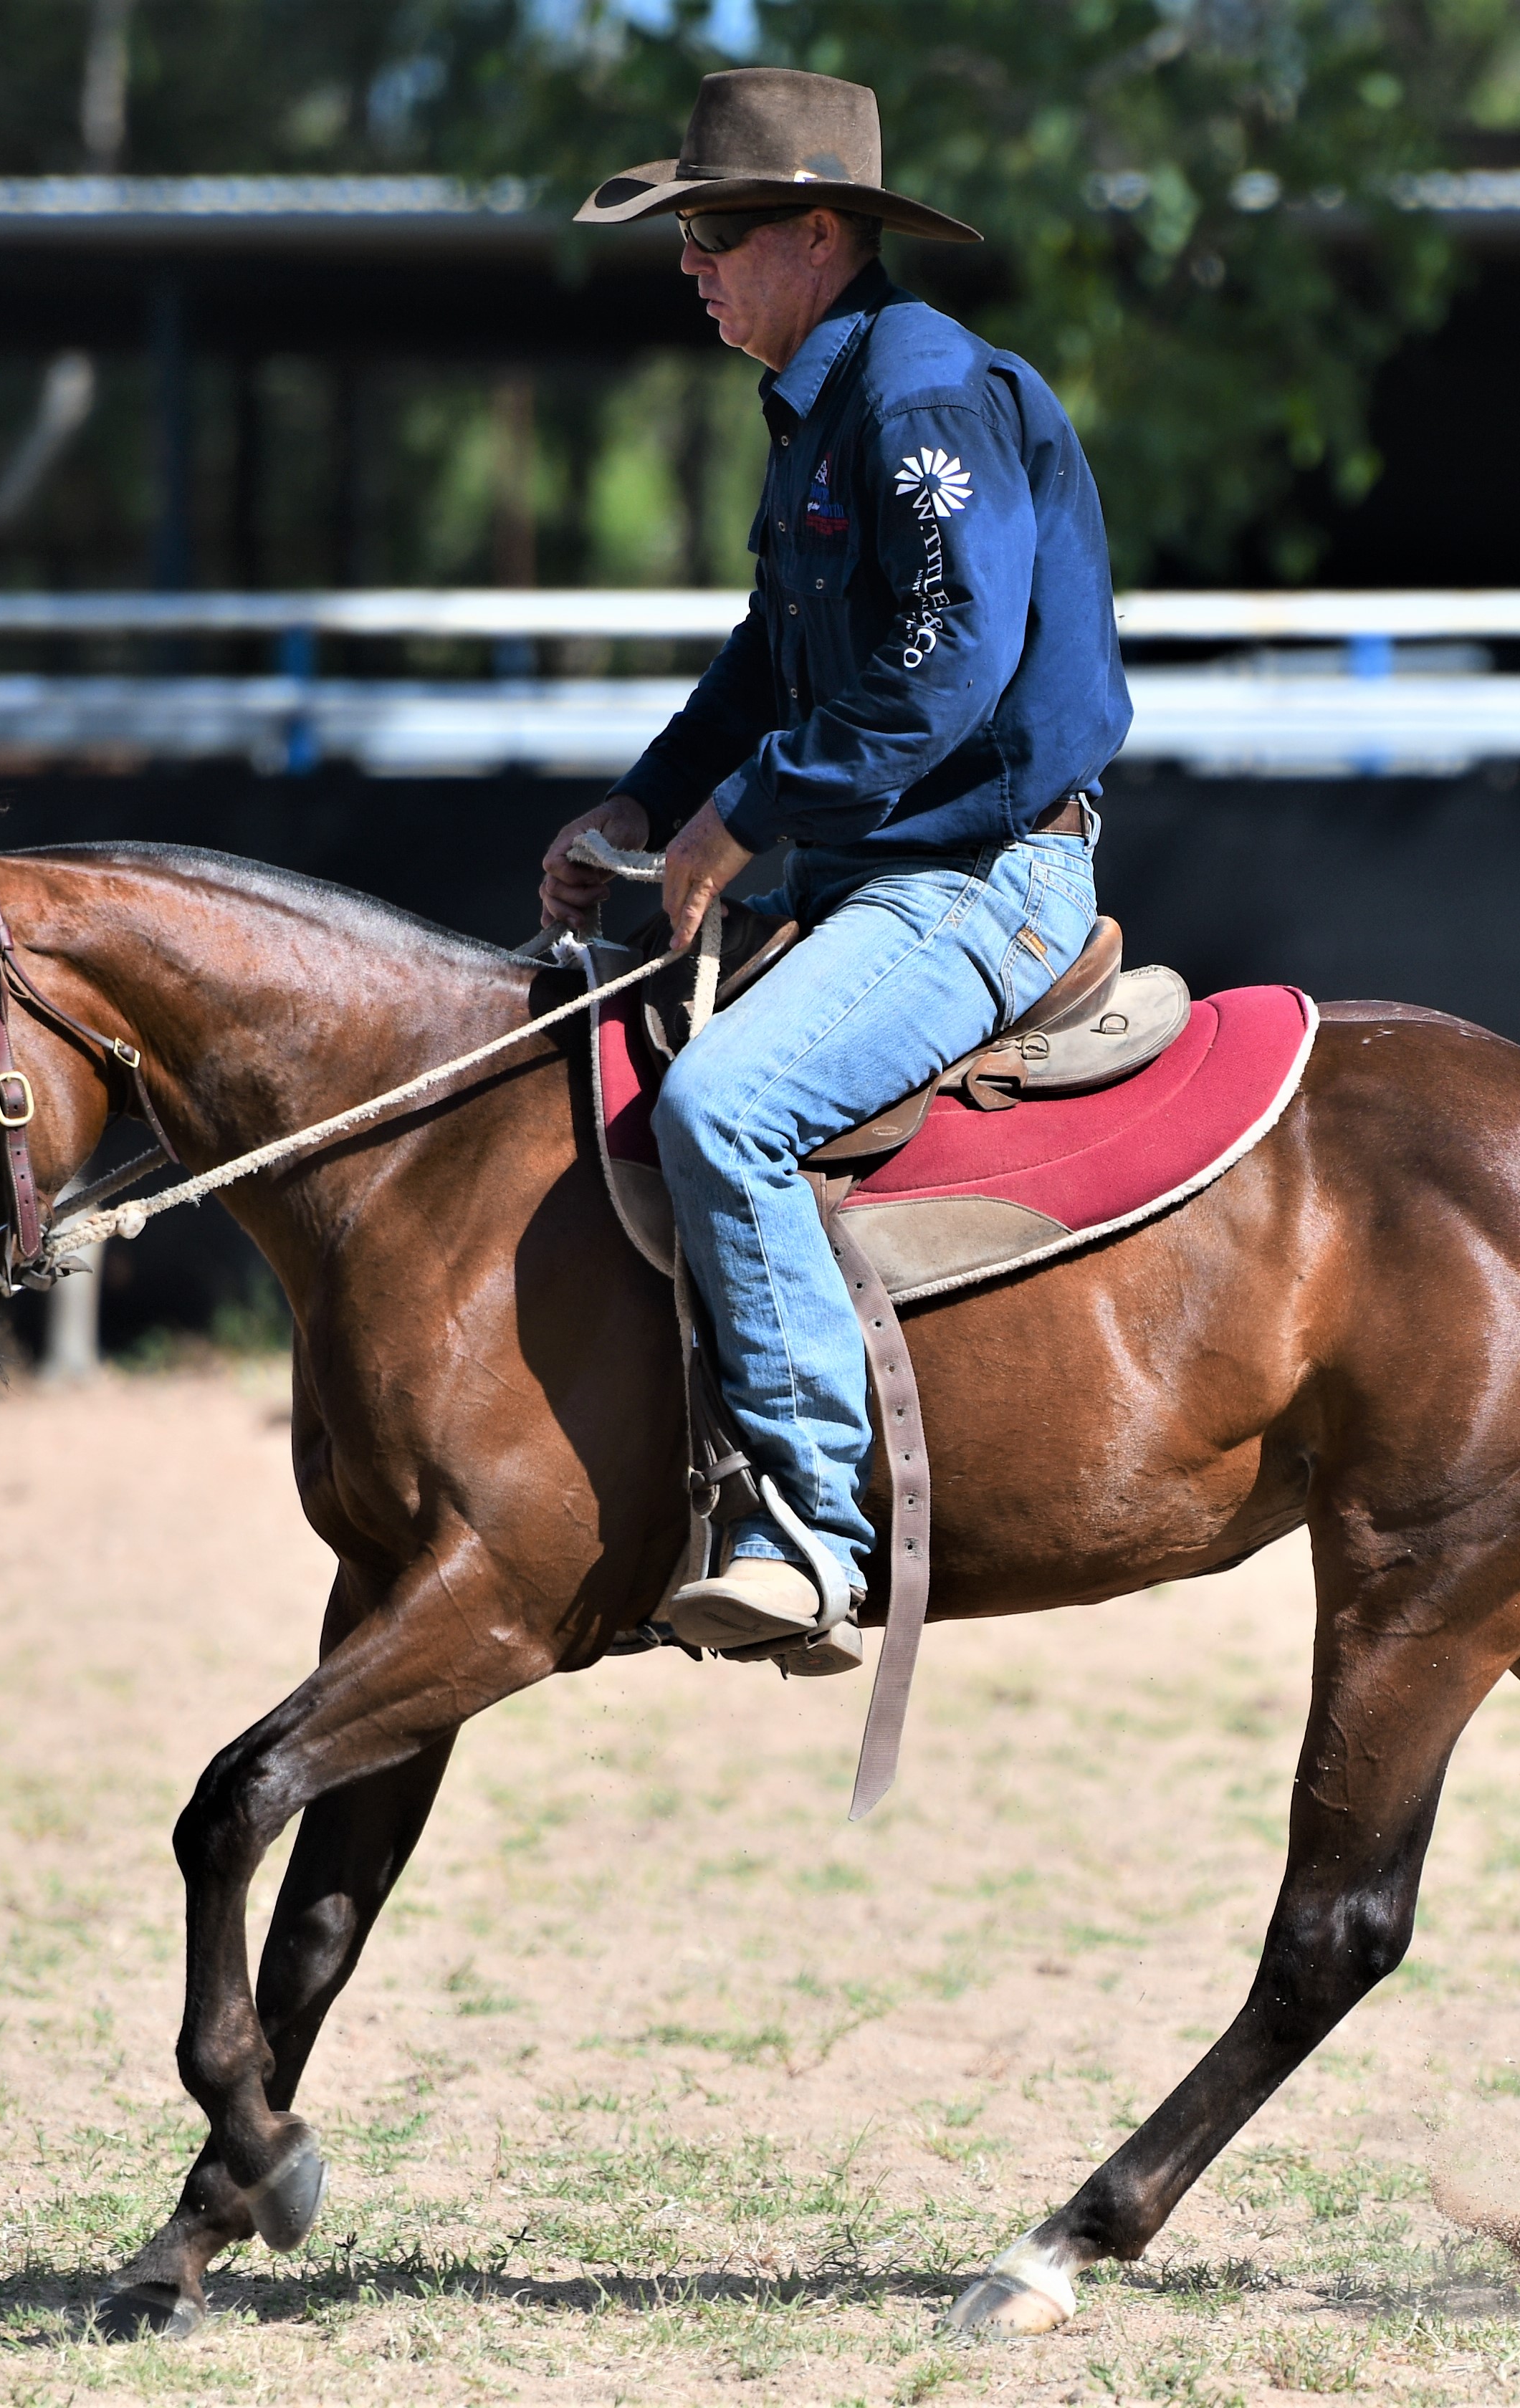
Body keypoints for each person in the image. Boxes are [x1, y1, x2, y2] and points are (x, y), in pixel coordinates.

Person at [540, 68, 1131, 1673]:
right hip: (878, 873)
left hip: (980, 876)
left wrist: (738, 820)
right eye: (683, 237)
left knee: (723, 1109)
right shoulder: (826, 399)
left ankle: (807, 1529)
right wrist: (646, 805)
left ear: (817, 233)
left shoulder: (919, 399)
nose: (688, 265)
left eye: (714, 232)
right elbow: (766, 660)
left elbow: (946, 665)